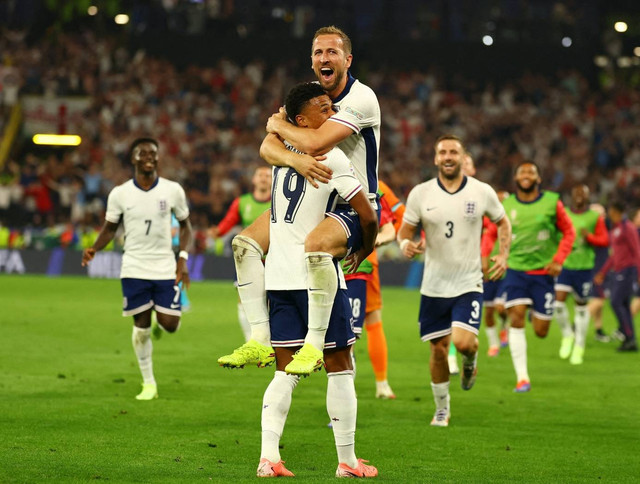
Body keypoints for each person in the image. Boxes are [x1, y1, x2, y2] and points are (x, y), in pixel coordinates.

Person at [218, 25, 381, 375]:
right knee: (244, 244)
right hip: (312, 198)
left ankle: (315, 343)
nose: (325, 58)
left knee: (317, 245)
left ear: (347, 60)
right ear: (312, 61)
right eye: (319, 52)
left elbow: (316, 143)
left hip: (352, 203)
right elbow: (268, 147)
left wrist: (280, 124)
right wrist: (295, 157)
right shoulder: (308, 99)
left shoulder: (361, 98)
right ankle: (259, 337)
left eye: (333, 52)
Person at [256, 82, 378, 478]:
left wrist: (278, 125)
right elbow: (368, 215)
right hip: (318, 275)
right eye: (324, 110)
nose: (332, 115)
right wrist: (364, 248)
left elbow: (268, 145)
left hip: (278, 276)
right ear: (303, 121)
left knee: (284, 371)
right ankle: (347, 461)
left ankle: (268, 457)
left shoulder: (279, 156)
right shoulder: (334, 158)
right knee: (340, 365)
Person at [397, 135, 511, 427]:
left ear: (463, 158)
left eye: (454, 152)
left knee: (462, 343)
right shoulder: (420, 194)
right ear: (436, 159)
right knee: (437, 350)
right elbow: (405, 231)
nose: (448, 157)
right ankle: (442, 410)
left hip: (468, 283)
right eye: (443, 152)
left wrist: (503, 255)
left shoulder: (481, 191)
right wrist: (405, 245)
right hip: (434, 285)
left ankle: (470, 362)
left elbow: (503, 222)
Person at [81, 138, 192, 400]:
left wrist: (183, 259)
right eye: (142, 153)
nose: (149, 157)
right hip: (133, 266)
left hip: (164, 266)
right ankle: (149, 383)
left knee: (171, 325)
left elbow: (186, 226)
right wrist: (94, 248)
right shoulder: (119, 194)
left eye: (153, 153)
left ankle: (158, 319)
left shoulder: (172, 190)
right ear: (133, 159)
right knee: (140, 327)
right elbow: (110, 228)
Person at [502, 162, 575, 393]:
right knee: (516, 318)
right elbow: (494, 231)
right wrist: (488, 255)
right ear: (515, 177)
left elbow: (569, 232)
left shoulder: (552, 202)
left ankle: (537, 312)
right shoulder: (507, 204)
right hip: (515, 270)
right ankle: (522, 378)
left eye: (531, 172)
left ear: (538, 178)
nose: (526, 175)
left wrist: (558, 260)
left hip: (543, 274)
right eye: (522, 171)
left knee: (541, 331)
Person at [342, 180, 403, 399]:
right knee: (367, 321)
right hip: (337, 265)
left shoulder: (374, 186)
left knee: (359, 327)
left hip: (361, 267)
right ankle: (381, 384)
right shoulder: (373, 182)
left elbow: (397, 218)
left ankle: (378, 384)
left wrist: (374, 241)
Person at [210, 166, 271, 341]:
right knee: (244, 301)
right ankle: (250, 340)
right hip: (250, 260)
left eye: (268, 175)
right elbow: (228, 223)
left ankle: (271, 340)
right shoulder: (242, 202)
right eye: (260, 174)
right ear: (253, 180)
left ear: (273, 181)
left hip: (273, 260)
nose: (263, 178)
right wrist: (217, 232)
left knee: (273, 303)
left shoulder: (278, 201)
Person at [554, 185, 609, 364]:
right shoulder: (564, 214)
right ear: (571, 196)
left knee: (581, 307)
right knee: (557, 303)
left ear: (588, 197)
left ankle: (579, 346)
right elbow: (556, 234)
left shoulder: (594, 217)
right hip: (566, 266)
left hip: (584, 268)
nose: (579, 197)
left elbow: (604, 239)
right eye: (576, 193)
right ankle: (567, 335)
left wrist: (590, 237)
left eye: (583, 194)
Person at [593, 200, 640, 352]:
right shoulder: (615, 229)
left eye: (611, 211)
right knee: (624, 304)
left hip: (627, 270)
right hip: (618, 271)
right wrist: (603, 272)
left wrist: (639, 273)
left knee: (616, 302)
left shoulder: (628, 228)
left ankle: (627, 334)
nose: (609, 214)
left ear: (616, 211)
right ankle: (630, 339)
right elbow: (613, 256)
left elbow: (637, 251)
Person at [480, 190, 511, 357]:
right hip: (487, 270)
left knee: (500, 308)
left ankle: (505, 326)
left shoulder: (510, 223)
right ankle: (493, 344)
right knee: (489, 311)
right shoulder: (484, 221)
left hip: (506, 271)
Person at [587, 203, 613, 343]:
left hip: (601, 268)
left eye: (604, 214)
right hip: (597, 270)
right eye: (600, 215)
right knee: (599, 300)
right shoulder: (592, 231)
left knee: (598, 299)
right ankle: (577, 325)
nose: (603, 217)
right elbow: (604, 242)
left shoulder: (599, 229)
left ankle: (599, 330)